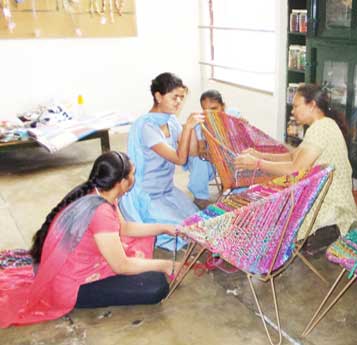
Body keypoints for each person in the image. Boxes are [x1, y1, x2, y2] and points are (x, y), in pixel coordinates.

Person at [0, 151, 178, 328]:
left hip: (74, 265)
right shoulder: (101, 212)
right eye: (132, 174)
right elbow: (121, 266)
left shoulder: (101, 192)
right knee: (156, 286)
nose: (134, 178)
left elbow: (124, 228)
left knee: (146, 238)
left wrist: (164, 228)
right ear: (122, 182)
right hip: (73, 285)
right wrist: (165, 264)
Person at [234, 83, 357, 242]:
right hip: (327, 194)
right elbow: (293, 156)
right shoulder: (323, 125)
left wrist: (257, 163)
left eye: (296, 106)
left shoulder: (321, 128)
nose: (292, 111)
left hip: (330, 202)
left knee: (266, 206)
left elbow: (296, 168)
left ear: (312, 105)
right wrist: (260, 155)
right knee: (266, 199)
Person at [119, 72, 203, 250]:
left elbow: (193, 151)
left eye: (181, 98)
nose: (179, 102)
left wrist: (193, 129)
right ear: (158, 96)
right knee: (180, 230)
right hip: (147, 195)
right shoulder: (147, 126)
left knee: (198, 220)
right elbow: (180, 159)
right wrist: (187, 127)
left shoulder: (171, 122)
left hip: (166, 190)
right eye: (174, 97)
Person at [185, 89, 241, 209]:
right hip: (208, 161)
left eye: (214, 108)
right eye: (206, 110)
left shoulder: (233, 115)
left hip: (226, 157)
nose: (210, 113)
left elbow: (240, 134)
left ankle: (231, 189)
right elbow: (200, 150)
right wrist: (204, 146)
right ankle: (200, 197)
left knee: (240, 159)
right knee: (200, 160)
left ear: (223, 106)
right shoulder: (200, 123)